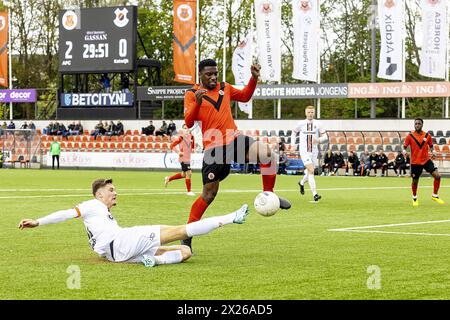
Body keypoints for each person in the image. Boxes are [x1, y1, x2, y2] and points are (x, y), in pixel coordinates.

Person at [18, 178, 250, 268]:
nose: (115, 193)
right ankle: (232, 218)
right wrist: (38, 222)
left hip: (118, 252)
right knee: (180, 230)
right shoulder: (92, 204)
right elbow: (65, 214)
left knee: (185, 250)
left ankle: (155, 261)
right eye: (111, 190)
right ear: (99, 194)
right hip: (121, 242)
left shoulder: (102, 212)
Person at [183, 58, 291, 250]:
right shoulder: (192, 94)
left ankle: (269, 194)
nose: (213, 77)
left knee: (267, 154)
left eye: (215, 73)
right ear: (200, 75)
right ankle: (187, 235)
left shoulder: (225, 87)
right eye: (209, 74)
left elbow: (244, 96)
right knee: (208, 195)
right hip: (214, 148)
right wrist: (197, 104)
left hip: (234, 139)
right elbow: (189, 122)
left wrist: (254, 79)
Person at [403, 118, 444, 206]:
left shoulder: (427, 135)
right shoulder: (410, 136)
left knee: (437, 176)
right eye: (416, 123)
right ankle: (414, 198)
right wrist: (404, 151)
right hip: (415, 162)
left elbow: (431, 146)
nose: (417, 125)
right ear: (414, 125)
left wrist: (433, 152)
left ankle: (435, 195)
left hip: (426, 160)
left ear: (422, 125)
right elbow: (404, 147)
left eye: (419, 123)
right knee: (415, 181)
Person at [292, 106, 328, 201]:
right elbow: (293, 133)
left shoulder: (318, 123)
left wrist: (318, 140)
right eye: (309, 112)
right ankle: (315, 194)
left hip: (314, 151)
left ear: (314, 113)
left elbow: (325, 137)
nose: (310, 114)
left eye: (312, 112)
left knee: (310, 171)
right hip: (304, 151)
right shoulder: (301, 123)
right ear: (305, 113)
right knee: (311, 170)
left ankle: (302, 182)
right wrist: (293, 144)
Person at [165, 124, 195, 196]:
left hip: (188, 158)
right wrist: (178, 152)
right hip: (183, 158)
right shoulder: (181, 138)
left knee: (183, 174)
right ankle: (189, 191)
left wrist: (193, 148)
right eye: (184, 128)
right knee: (189, 173)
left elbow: (192, 145)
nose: (186, 130)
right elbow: (172, 145)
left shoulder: (191, 136)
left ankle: (168, 179)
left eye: (187, 128)